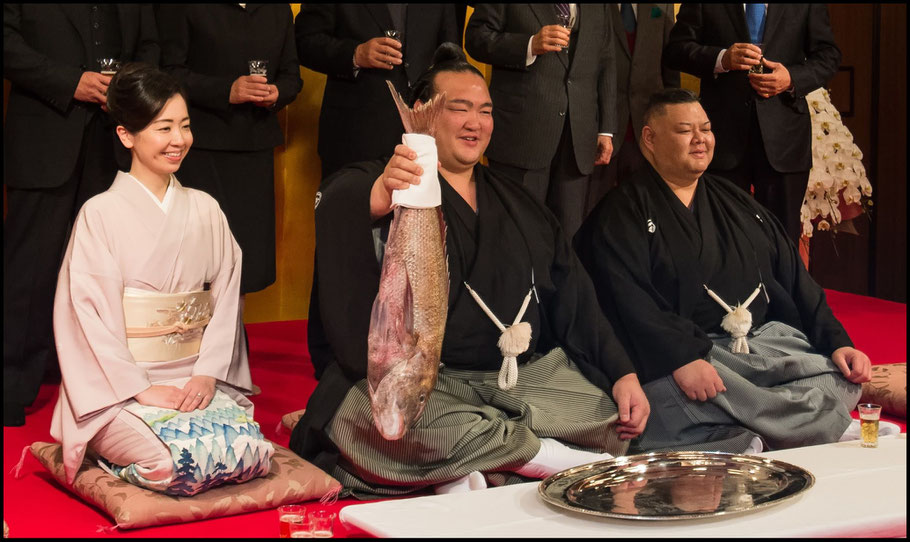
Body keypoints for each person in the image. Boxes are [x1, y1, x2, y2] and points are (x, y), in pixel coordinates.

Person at [289, 43, 649, 498]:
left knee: (609, 413)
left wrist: (621, 373)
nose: (475, 122)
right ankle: (549, 460)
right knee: (367, 414)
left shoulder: (518, 203)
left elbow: (573, 293)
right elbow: (338, 198)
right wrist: (379, 193)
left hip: (514, 382)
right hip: (426, 384)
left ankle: (470, 468)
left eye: (485, 110)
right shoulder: (389, 181)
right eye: (459, 108)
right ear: (421, 112)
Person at [574, 89, 870, 454]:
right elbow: (626, 302)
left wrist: (836, 340)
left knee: (839, 377)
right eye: (685, 130)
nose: (700, 139)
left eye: (706, 128)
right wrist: (682, 358)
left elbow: (795, 280)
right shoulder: (621, 214)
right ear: (649, 139)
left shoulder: (737, 203)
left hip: (760, 351)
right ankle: (810, 424)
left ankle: (744, 435)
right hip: (698, 358)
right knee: (660, 401)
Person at [50, 63, 272, 495]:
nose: (179, 140)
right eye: (163, 127)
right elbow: (86, 319)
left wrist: (206, 375)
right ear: (126, 135)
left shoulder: (205, 207)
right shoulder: (100, 214)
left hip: (195, 382)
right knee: (172, 464)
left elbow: (226, 300)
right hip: (118, 390)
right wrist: (139, 390)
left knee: (250, 452)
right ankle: (109, 458)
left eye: (185, 126)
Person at [3, 3, 159, 427]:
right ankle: (11, 383)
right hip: (44, 139)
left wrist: (126, 89)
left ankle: (88, 379)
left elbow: (149, 46)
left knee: (99, 273)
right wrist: (71, 82)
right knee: (29, 269)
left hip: (113, 141)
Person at [294, 4, 458, 383]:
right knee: (342, 244)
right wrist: (354, 53)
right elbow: (305, 41)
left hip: (422, 135)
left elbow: (450, 49)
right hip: (354, 132)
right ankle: (329, 360)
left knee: (416, 250)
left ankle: (405, 358)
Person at [156, 3, 303, 296]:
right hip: (202, 148)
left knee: (246, 260)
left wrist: (277, 93)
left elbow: (291, 76)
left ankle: (234, 334)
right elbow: (168, 71)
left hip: (255, 146)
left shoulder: (277, 9)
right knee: (201, 258)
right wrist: (226, 90)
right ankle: (200, 337)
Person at [662, 4, 841, 243]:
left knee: (781, 240)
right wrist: (721, 59)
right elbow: (675, 51)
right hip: (723, 138)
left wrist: (791, 78)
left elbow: (828, 55)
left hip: (784, 140)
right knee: (723, 239)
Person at [464, 4, 618, 239]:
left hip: (578, 139)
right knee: (516, 235)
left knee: (567, 237)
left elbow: (606, 58)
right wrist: (529, 45)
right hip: (522, 134)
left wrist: (606, 130)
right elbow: (476, 38)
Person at [294, 4, 458, 178]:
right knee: (352, 203)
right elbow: (304, 41)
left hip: (424, 138)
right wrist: (355, 54)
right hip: (355, 137)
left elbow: (450, 54)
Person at [585, 3, 680, 214]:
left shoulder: (662, 5)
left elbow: (670, 66)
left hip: (648, 130)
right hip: (599, 128)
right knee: (593, 210)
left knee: (645, 211)